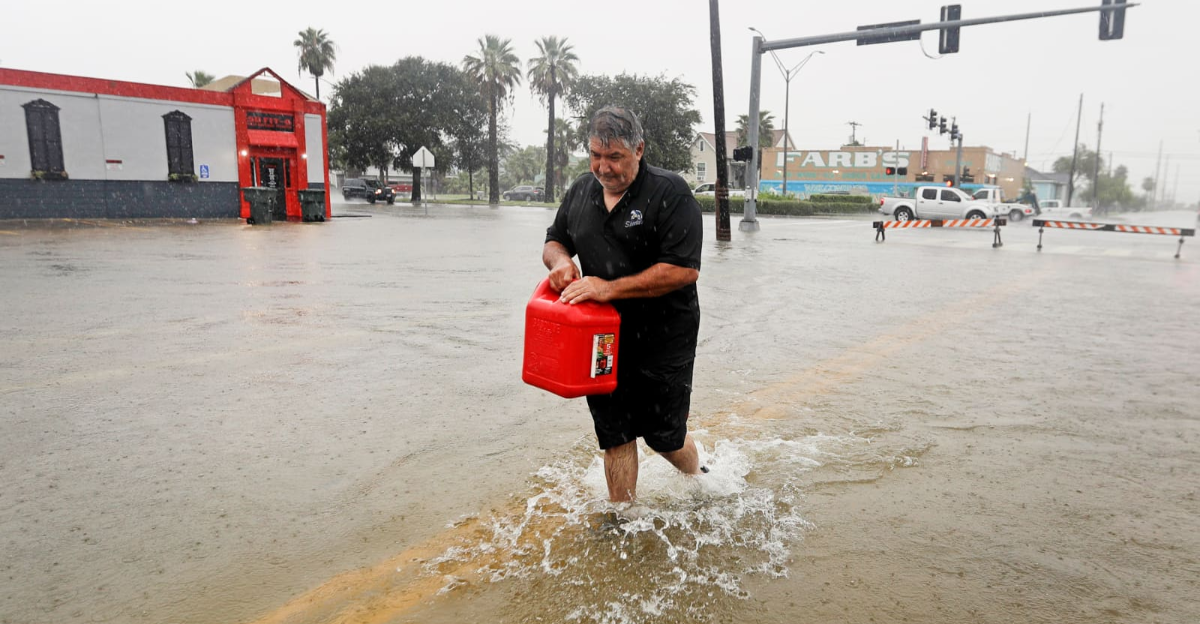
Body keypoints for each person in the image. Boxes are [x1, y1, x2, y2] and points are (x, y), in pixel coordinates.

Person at [542, 106, 705, 503]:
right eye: (596, 155)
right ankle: (622, 519)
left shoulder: (670, 193)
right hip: (601, 338)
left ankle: (701, 479)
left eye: (614, 157)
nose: (603, 167)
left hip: (665, 337)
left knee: (664, 438)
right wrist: (560, 262)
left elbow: (683, 270)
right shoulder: (581, 191)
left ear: (639, 150)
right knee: (615, 433)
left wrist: (608, 288)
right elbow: (555, 240)